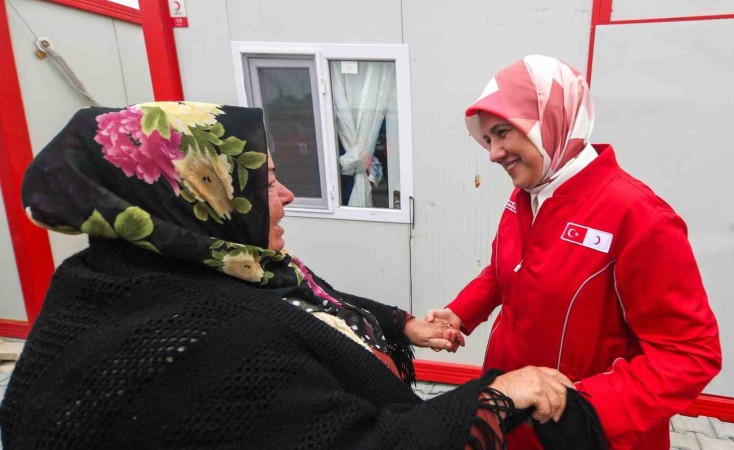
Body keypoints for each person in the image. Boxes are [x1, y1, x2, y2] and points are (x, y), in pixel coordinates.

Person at [0, 102, 606, 449]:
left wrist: (406, 325)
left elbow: (311, 297)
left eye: (504, 135)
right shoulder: (220, 342)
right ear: (198, 196)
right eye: (265, 182)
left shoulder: (139, 270)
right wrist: (496, 394)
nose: (288, 194)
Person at [426, 55, 722, 449]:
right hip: (510, 414)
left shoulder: (639, 217)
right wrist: (461, 313)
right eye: (487, 140)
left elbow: (690, 354)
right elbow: (504, 271)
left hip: (585, 433)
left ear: (550, 120)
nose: (493, 153)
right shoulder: (526, 195)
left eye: (502, 133)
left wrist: (578, 408)